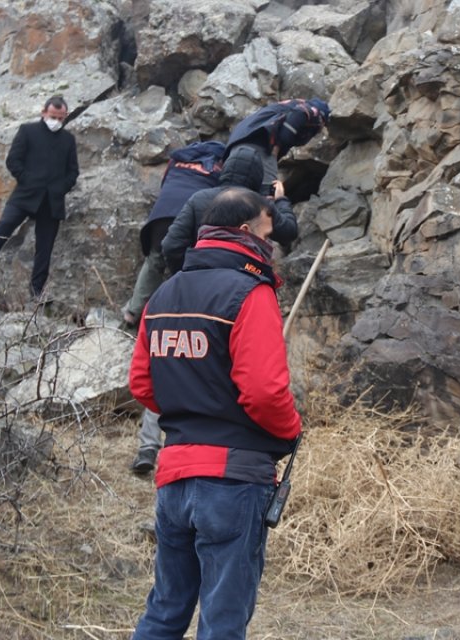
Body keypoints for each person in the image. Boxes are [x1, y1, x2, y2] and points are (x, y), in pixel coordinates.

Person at [128, 187, 302, 639]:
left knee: (165, 611)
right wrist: (291, 431)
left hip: (174, 477)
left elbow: (142, 384)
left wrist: (191, 408)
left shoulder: (163, 295)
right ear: (246, 232)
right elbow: (264, 392)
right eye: (269, 230)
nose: (273, 241)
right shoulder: (251, 292)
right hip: (234, 480)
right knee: (222, 621)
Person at [124, 141, 226, 476]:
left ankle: (132, 310)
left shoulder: (177, 163)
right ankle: (171, 448)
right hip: (194, 286)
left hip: (160, 219)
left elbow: (140, 381)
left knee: (153, 262)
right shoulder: (214, 174)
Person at [0, 95, 79, 301]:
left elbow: (73, 172)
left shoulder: (68, 140)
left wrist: (60, 188)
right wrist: (29, 181)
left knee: (44, 249)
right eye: (53, 116)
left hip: (52, 202)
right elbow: (13, 160)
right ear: (43, 113)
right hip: (25, 195)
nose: (56, 121)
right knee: (2, 229)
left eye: (60, 118)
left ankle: (37, 292)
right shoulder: (27, 131)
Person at [160, 144, 298, 275]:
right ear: (258, 177)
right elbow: (289, 232)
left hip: (199, 276)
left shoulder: (198, 198)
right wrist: (280, 200)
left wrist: (186, 273)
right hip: (244, 279)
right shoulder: (258, 204)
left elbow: (171, 245)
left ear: (225, 168)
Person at [223, 98, 330, 194]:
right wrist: (277, 145)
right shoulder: (314, 110)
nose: (321, 129)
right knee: (267, 193)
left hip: (237, 143)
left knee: (234, 192)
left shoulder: (285, 106)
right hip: (260, 145)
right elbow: (300, 113)